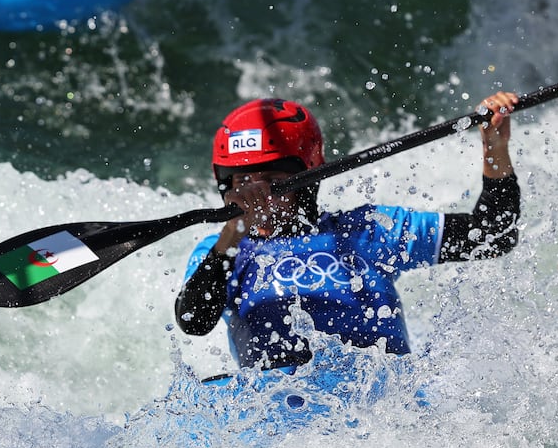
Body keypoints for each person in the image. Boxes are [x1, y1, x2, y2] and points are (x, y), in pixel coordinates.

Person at [174, 92, 521, 371]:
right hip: (274, 423)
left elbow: (493, 235)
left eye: (275, 183)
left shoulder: (369, 231)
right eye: (243, 183)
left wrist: (495, 149)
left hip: (377, 416)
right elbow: (194, 321)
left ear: (309, 177)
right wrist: (233, 233)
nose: (259, 198)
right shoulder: (219, 253)